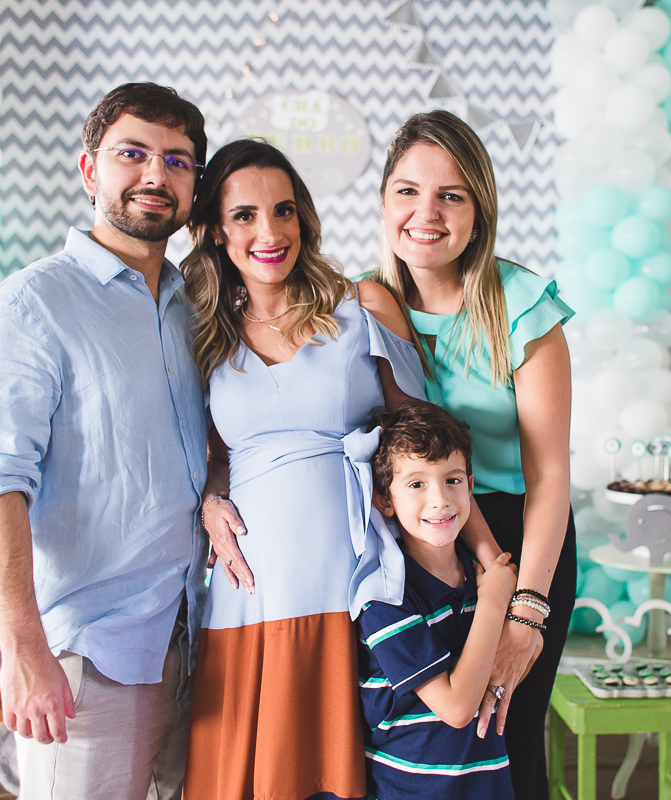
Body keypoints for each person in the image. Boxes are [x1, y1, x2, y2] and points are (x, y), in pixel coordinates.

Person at [0, 82, 209, 800]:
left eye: (178, 161)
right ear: (90, 169)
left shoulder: (195, 307)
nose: (156, 175)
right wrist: (22, 648)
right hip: (86, 654)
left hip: (189, 641)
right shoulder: (33, 305)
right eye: (133, 154)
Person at [182, 139, 426, 800]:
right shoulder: (201, 333)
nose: (269, 231)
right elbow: (210, 457)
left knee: (353, 764)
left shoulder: (362, 305)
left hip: (352, 575)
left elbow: (420, 434)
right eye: (245, 215)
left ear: (305, 218)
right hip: (251, 585)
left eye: (284, 211)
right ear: (213, 229)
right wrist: (209, 501)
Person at [372, 109, 577, 799]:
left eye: (450, 195)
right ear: (383, 200)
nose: (425, 213)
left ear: (478, 209)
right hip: (420, 539)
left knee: (504, 736)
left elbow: (550, 474)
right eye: (408, 190)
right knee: (418, 741)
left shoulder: (521, 304)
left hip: (521, 533)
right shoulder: (369, 306)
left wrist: (525, 608)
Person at [359, 400, 518, 800]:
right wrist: (495, 602)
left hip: (485, 784)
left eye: (452, 480)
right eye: (416, 484)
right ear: (385, 500)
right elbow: (457, 708)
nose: (440, 500)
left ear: (471, 482)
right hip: (413, 790)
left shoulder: (476, 575)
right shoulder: (385, 600)